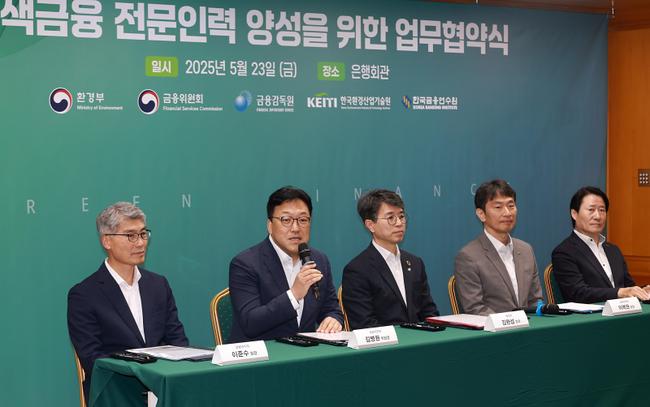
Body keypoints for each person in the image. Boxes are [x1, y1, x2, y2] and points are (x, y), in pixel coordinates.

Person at [68, 202, 188, 402]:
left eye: (143, 234)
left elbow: (178, 342)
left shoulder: (158, 285)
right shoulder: (84, 295)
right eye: (130, 236)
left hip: (161, 389)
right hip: (116, 393)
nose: (140, 243)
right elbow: (93, 359)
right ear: (107, 241)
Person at [228, 186, 343, 343]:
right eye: (286, 220)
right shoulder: (245, 264)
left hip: (306, 353)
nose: (295, 228)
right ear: (270, 225)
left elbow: (331, 308)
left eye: (303, 220)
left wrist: (333, 319)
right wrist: (294, 294)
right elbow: (250, 322)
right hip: (262, 354)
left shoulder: (318, 260)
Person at [342, 189, 438, 329]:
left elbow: (429, 313)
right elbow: (364, 325)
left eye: (401, 216)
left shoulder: (415, 263)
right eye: (391, 218)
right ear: (370, 225)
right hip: (387, 342)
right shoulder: (357, 270)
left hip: (421, 339)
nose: (399, 223)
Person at [454, 180, 543, 315]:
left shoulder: (526, 250)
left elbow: (535, 300)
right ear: (481, 214)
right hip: (492, 327)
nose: (507, 213)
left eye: (511, 206)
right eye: (498, 207)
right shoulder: (468, 257)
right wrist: (511, 322)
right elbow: (475, 309)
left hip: (529, 326)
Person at [552, 186, 650, 303]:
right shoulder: (564, 252)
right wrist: (619, 293)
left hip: (621, 311)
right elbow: (578, 293)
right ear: (574, 214)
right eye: (591, 210)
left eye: (602, 210)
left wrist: (642, 291)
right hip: (592, 313)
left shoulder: (613, 250)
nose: (598, 216)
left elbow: (627, 286)